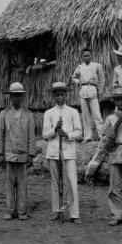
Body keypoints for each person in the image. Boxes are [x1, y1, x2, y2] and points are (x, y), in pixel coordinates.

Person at [85, 87, 122, 228]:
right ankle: (116, 215)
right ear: (114, 101)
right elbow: (105, 139)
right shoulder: (110, 118)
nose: (120, 101)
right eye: (117, 99)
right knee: (114, 187)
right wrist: (112, 130)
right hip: (115, 152)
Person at [42, 82, 83, 224]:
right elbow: (45, 135)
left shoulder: (73, 112)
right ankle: (57, 210)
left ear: (66, 95)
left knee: (71, 182)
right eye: (57, 95)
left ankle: (74, 213)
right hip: (53, 152)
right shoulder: (49, 113)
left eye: (62, 95)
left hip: (68, 152)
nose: (60, 97)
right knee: (55, 182)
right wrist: (54, 130)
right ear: (54, 96)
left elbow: (79, 133)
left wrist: (67, 134)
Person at [0, 82, 36, 220]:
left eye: (19, 96)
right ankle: (10, 210)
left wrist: (31, 154)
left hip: (23, 154)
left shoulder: (28, 115)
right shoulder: (4, 114)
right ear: (10, 97)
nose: (16, 99)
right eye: (14, 96)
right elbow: (1, 134)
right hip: (9, 154)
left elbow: (31, 135)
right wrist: (1, 153)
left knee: (22, 184)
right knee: (10, 184)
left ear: (22, 97)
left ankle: (21, 211)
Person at [71, 48, 106, 143]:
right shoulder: (79, 67)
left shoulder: (97, 66)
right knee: (85, 115)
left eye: (88, 55)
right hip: (83, 91)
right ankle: (87, 136)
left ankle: (101, 135)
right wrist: (78, 82)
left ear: (91, 56)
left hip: (93, 90)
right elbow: (73, 77)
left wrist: (100, 90)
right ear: (82, 57)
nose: (86, 57)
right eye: (84, 56)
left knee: (97, 114)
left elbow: (102, 78)